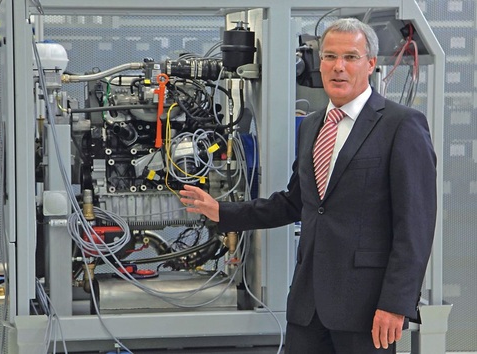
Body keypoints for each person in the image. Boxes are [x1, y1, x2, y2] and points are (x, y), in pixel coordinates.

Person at [179, 18, 436, 354]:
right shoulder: (312, 125)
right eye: (329, 57)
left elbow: (415, 227)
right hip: (307, 305)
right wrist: (222, 212)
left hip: (367, 307)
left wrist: (397, 303)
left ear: (371, 64)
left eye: (350, 57)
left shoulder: (401, 125)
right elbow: (293, 202)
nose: (337, 67)